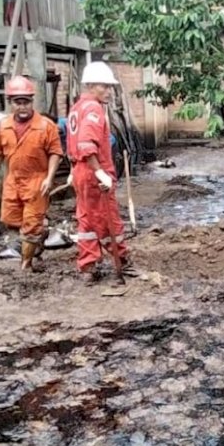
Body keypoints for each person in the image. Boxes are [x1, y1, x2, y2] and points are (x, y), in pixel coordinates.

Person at [0, 76, 63, 272]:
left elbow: (56, 153)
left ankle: (26, 265)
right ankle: (38, 241)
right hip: (13, 180)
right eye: (17, 102)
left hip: (37, 181)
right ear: (10, 103)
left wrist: (49, 177)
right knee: (12, 220)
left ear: (32, 102)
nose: (22, 107)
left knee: (31, 224)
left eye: (26, 102)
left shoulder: (46, 126)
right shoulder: (3, 126)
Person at [67, 62, 130, 285]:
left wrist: (76, 168)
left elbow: (73, 141)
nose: (109, 92)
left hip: (80, 169)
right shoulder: (93, 109)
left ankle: (88, 266)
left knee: (86, 219)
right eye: (105, 87)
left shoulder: (77, 108)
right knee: (107, 217)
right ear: (92, 85)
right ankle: (120, 259)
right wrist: (99, 172)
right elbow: (86, 143)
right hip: (93, 171)